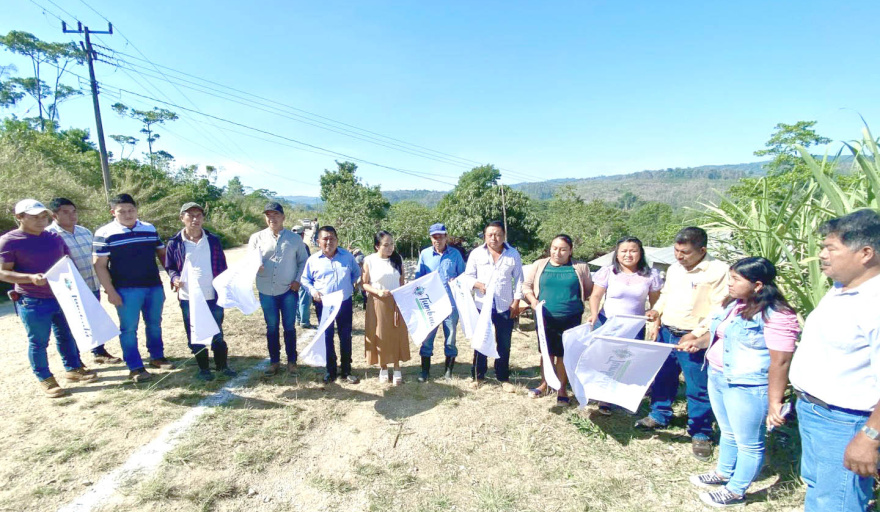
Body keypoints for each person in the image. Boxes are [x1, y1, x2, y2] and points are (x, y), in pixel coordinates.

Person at [678, 257, 798, 507]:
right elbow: (718, 334)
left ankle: (735, 491)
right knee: (728, 431)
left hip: (747, 386)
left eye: (735, 279)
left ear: (757, 285)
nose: (729, 284)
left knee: (749, 442)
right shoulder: (734, 304)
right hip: (718, 376)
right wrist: (697, 343)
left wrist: (775, 401)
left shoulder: (777, 315)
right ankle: (724, 473)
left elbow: (781, 362)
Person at [787, 209, 880, 512]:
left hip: (846, 422)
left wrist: (869, 436)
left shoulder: (875, 304)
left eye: (831, 248)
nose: (822, 255)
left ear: (865, 253)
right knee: (820, 490)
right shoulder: (841, 289)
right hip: (815, 411)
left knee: (837, 502)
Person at [640, 227, 729, 461]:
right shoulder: (675, 269)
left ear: (702, 250)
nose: (679, 256)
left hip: (694, 337)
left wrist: (696, 335)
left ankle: (700, 431)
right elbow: (666, 295)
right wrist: (656, 311)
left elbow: (719, 309)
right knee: (663, 377)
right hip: (668, 332)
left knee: (697, 386)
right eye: (676, 251)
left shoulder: (718, 271)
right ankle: (659, 415)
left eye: (685, 252)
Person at [0, 199, 97, 397]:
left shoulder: (54, 237)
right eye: (34, 217)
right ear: (19, 217)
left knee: (66, 334)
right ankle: (45, 378)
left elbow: (68, 263)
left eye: (43, 216)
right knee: (38, 342)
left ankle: (73, 368)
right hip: (32, 300)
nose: (41, 220)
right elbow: (3, 273)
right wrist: (29, 278)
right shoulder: (9, 240)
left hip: (62, 296)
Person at [94, 193, 173, 383]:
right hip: (125, 290)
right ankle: (135, 366)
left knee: (154, 323)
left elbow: (162, 253)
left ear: (137, 210)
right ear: (113, 212)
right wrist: (110, 291)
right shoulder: (104, 233)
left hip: (153, 286)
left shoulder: (149, 228)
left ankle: (157, 356)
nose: (128, 214)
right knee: (128, 329)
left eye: (131, 210)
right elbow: (99, 265)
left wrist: (172, 275)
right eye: (122, 211)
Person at [46, 197, 122, 364]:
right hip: (69, 290)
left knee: (93, 320)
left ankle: (99, 352)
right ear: (54, 215)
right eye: (66, 212)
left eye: (74, 211)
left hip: (91, 285)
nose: (72, 215)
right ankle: (74, 363)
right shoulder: (49, 235)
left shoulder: (85, 232)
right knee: (68, 326)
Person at [165, 202, 235, 381]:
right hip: (189, 297)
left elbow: (222, 266)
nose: (195, 219)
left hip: (213, 294)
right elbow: (170, 267)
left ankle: (222, 366)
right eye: (190, 215)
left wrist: (224, 286)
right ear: (182, 218)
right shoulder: (174, 242)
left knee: (217, 331)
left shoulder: (213, 240)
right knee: (195, 333)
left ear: (203, 218)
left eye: (199, 215)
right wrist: (175, 278)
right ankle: (204, 369)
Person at [522, 234, 592, 405]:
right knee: (547, 352)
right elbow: (526, 286)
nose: (557, 252)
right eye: (554, 248)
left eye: (562, 249)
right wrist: (533, 300)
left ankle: (561, 388)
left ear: (570, 251)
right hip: (545, 316)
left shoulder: (581, 267)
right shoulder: (539, 265)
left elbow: (589, 290)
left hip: (571, 317)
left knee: (563, 354)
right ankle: (545, 384)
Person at [248, 202, 309, 376]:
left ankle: (292, 362)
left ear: (283, 217)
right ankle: (274, 362)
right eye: (268, 215)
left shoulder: (294, 239)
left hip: (288, 290)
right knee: (272, 327)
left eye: (275, 215)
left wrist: (298, 281)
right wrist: (255, 266)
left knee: (289, 327)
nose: (272, 218)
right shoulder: (256, 238)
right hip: (266, 290)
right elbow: (250, 261)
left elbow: (303, 262)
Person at [464, 220, 524, 391]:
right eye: (490, 234)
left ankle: (503, 377)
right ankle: (478, 376)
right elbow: (468, 277)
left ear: (503, 236)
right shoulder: (476, 253)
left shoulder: (513, 254)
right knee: (481, 340)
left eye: (498, 235)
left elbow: (519, 279)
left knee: (504, 343)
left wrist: (516, 301)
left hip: (505, 305)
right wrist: (477, 284)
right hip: (482, 305)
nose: (494, 238)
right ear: (485, 236)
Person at [301, 226, 362, 384]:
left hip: (344, 302)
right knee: (327, 336)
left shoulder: (347, 256)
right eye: (325, 239)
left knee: (345, 336)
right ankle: (331, 370)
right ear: (318, 241)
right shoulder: (313, 260)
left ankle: (346, 370)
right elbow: (305, 280)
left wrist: (351, 287)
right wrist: (313, 291)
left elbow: (356, 273)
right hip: (324, 304)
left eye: (332, 238)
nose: (329, 242)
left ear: (337, 240)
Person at [414, 223, 466, 382]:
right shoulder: (425, 254)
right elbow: (418, 279)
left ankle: (448, 372)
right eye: (434, 237)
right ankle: (425, 372)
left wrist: (456, 280)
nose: (438, 240)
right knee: (427, 339)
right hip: (430, 305)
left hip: (451, 305)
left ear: (446, 237)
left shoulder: (455, 254)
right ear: (431, 238)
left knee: (450, 339)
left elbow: (464, 276)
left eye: (441, 236)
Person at [588, 236, 664, 338]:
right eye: (624, 251)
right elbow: (595, 296)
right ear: (617, 254)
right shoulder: (607, 272)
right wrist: (594, 314)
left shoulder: (651, 275)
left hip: (635, 327)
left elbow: (655, 303)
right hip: (606, 322)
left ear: (640, 253)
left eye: (633, 251)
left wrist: (656, 324)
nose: (628, 255)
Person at [362, 231, 411, 384]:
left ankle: (397, 367)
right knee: (380, 334)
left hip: (396, 301)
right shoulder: (369, 260)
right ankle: (383, 367)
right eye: (386, 245)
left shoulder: (397, 259)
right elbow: (364, 284)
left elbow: (401, 281)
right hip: (378, 302)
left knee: (396, 334)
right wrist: (378, 292)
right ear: (377, 246)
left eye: (392, 244)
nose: (390, 248)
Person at [292, 226, 313, 328]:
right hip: (302, 276)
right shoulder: (303, 246)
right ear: (303, 235)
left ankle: (298, 319)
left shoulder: (289, 246)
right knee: (304, 299)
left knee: (296, 299)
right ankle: (304, 322)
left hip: (292, 277)